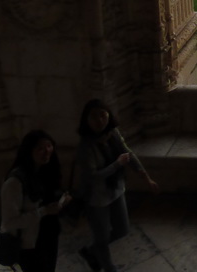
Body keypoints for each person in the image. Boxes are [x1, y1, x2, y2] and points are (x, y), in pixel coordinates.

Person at [75, 99, 159, 272]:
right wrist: (117, 165)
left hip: (115, 190)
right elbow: (92, 177)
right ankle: (108, 266)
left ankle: (91, 251)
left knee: (122, 229)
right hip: (96, 198)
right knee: (102, 237)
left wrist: (146, 178)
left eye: (102, 115)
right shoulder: (85, 146)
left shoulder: (112, 133)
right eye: (93, 117)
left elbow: (127, 153)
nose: (99, 121)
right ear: (86, 120)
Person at [0, 130, 68, 272]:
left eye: (49, 146)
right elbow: (10, 222)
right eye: (40, 148)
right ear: (29, 151)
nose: (46, 151)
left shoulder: (45, 171)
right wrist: (44, 211)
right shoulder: (15, 182)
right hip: (30, 244)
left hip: (49, 234)